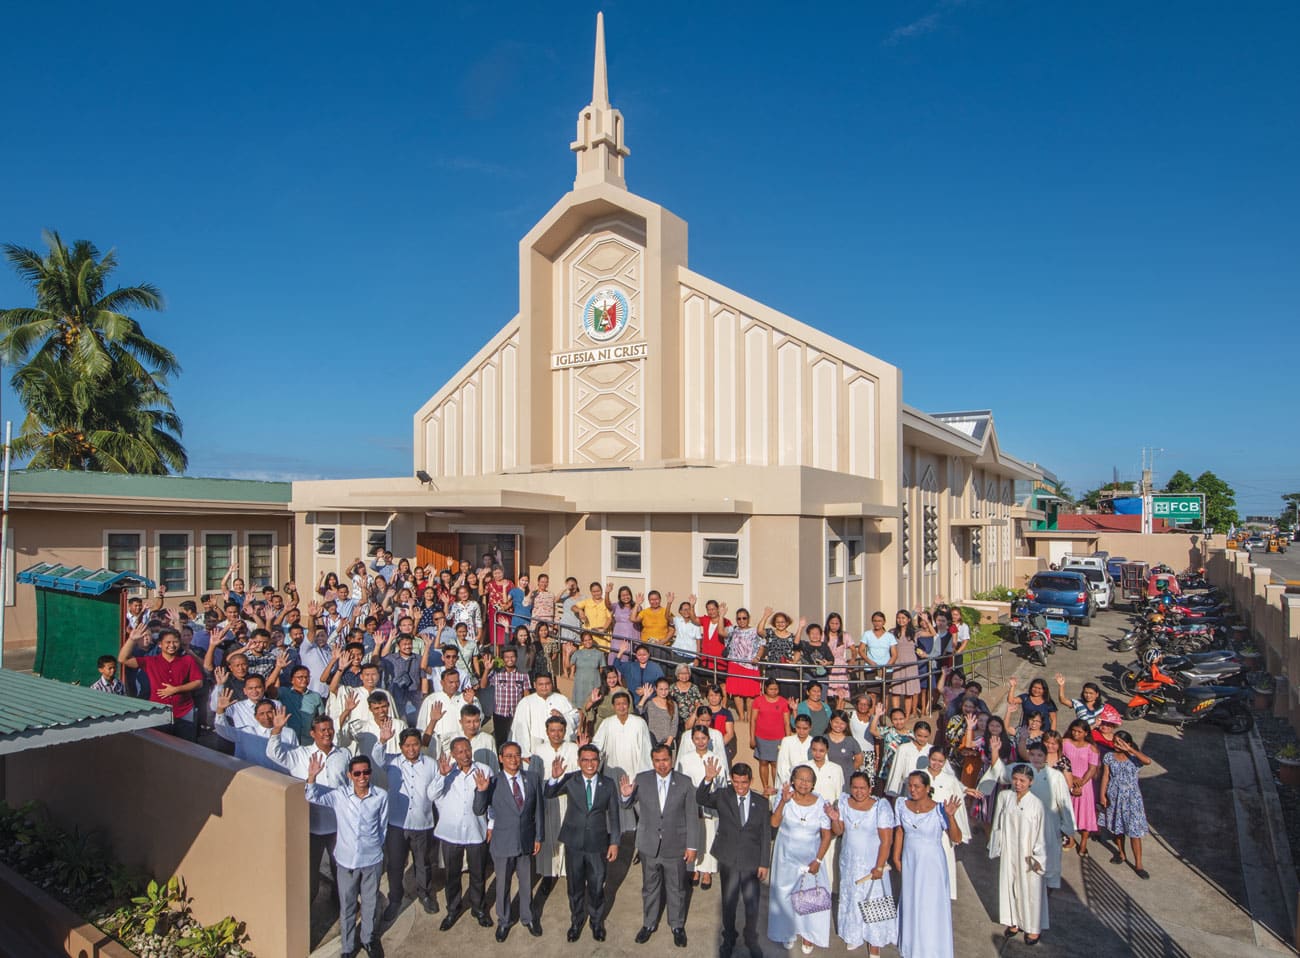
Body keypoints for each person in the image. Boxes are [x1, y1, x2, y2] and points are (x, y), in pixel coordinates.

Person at [305, 752, 390, 958]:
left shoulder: (380, 796)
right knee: (348, 905)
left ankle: (368, 939)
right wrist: (312, 777)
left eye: (366, 772)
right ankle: (348, 946)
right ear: (350, 775)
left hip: (371, 859)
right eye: (358, 773)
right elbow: (311, 796)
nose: (363, 777)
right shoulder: (339, 795)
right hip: (346, 861)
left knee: (369, 903)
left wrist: (375, 847)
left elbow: (382, 827)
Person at [620, 744, 702, 947]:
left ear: (671, 760)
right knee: (650, 887)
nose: (662, 764)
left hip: (675, 845)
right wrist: (625, 795)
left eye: (665, 760)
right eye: (657, 761)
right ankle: (648, 924)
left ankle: (676, 925)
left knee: (676, 888)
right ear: (652, 761)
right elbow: (627, 805)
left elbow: (692, 816)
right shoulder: (642, 779)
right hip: (649, 845)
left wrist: (692, 846)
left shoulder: (684, 783)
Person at [267, 714, 350, 904]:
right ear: (313, 733)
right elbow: (274, 753)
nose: (327, 733)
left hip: (338, 824)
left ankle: (340, 901)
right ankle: (308, 908)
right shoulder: (300, 754)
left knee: (340, 866)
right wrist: (277, 730)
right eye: (322, 730)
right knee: (310, 871)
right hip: (310, 825)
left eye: (330, 729)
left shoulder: (344, 754)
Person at [544, 744, 621, 942]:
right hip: (574, 843)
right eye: (585, 760)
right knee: (575, 886)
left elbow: (614, 815)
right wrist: (554, 777)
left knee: (596, 886)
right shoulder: (570, 779)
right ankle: (576, 921)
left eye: (593, 760)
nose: (589, 764)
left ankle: (596, 922)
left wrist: (614, 843)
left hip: (598, 843)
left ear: (599, 761)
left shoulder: (608, 783)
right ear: (579, 762)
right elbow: (549, 793)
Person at [697, 759, 770, 958]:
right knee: (728, 903)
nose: (740, 786)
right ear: (731, 779)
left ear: (751, 780)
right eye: (736, 782)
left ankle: (750, 938)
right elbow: (701, 798)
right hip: (729, 859)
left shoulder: (762, 803)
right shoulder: (723, 796)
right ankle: (728, 938)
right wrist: (708, 779)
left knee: (751, 903)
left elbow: (765, 833)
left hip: (751, 861)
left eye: (744, 782)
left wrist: (764, 862)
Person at [475, 741, 544, 940]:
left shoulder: (532, 778)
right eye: (509, 756)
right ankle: (504, 921)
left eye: (517, 755)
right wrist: (481, 791)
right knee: (502, 884)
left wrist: (538, 837)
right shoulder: (493, 781)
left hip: (526, 841)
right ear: (501, 758)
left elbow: (538, 810)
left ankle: (528, 917)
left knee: (526, 883)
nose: (513, 760)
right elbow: (479, 810)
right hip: (502, 842)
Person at [370, 725, 440, 919]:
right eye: (407, 745)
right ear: (400, 747)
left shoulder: (431, 764)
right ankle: (395, 899)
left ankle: (425, 894)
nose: (411, 749)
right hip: (396, 824)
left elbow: (437, 792)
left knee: (423, 863)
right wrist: (382, 740)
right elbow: (376, 757)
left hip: (422, 823)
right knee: (395, 864)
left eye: (415, 744)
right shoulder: (392, 762)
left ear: (420, 745)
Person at [893, 771, 964, 958]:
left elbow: (956, 838)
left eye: (917, 786)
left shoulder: (940, 809)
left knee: (930, 904)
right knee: (911, 898)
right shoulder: (901, 804)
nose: (912, 789)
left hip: (932, 864)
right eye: (910, 785)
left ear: (927, 788)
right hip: (910, 859)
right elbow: (899, 831)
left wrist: (951, 817)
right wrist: (896, 856)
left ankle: (932, 948)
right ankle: (911, 945)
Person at [767, 765, 836, 954]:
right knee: (784, 895)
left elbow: (826, 835)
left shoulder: (821, 802)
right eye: (800, 779)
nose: (804, 783)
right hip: (786, 858)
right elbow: (774, 823)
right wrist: (782, 801)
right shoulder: (785, 799)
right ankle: (786, 932)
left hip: (811, 859)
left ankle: (809, 934)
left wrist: (819, 860)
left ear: (813, 783)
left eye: (808, 780)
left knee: (811, 897)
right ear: (793, 780)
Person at [431, 738, 494, 929]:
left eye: (467, 750)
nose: (465, 755)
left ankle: (479, 907)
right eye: (459, 752)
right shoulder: (446, 772)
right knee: (452, 874)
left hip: (476, 829)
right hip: (451, 832)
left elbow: (491, 802)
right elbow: (431, 795)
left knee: (478, 873)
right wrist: (442, 776)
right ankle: (453, 909)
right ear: (453, 754)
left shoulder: (484, 770)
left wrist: (491, 825)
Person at [833, 771, 896, 957]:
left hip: (872, 863)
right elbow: (838, 832)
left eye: (863, 788)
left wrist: (879, 866)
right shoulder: (844, 802)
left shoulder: (880, 807)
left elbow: (886, 841)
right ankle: (853, 933)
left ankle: (875, 940)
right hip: (849, 861)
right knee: (852, 896)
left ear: (870, 788)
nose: (859, 792)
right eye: (855, 787)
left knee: (874, 898)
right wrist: (834, 818)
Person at [988, 764, 1048, 944]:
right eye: (1015, 779)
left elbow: (1040, 833)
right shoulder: (1005, 797)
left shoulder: (1036, 804)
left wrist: (1038, 857)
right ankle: (1013, 921)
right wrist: (996, 846)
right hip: (1009, 850)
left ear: (1031, 782)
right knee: (1009, 884)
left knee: (1029, 889)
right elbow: (998, 823)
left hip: (1027, 853)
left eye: (1022, 780)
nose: (1018, 783)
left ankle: (1032, 928)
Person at [118, 624, 204, 739]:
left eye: (175, 642)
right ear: (160, 644)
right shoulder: (151, 661)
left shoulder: (187, 660)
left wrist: (176, 689)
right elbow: (123, 659)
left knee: (185, 748)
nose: (172, 645)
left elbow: (198, 682)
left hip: (184, 711)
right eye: (168, 642)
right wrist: (132, 639)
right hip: (158, 712)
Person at [591, 689, 654, 833]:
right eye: (618, 704)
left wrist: (643, 774)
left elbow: (646, 749)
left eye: (624, 704)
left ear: (629, 705)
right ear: (613, 706)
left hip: (635, 771)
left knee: (641, 811)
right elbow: (597, 746)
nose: (621, 707)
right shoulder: (607, 723)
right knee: (615, 809)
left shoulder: (639, 723)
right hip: (613, 772)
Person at [527, 716, 580, 883]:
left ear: (565, 731)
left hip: (567, 799)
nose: (556, 734)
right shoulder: (539, 750)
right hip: (546, 800)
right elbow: (533, 777)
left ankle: (566, 870)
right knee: (548, 835)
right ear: (547, 732)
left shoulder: (573, 748)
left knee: (566, 835)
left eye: (560, 730)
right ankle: (548, 874)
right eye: (552, 730)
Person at [676, 724, 728, 889]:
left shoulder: (716, 758)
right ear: (692, 740)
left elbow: (722, 784)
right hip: (690, 803)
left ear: (709, 739)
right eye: (697, 738)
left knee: (709, 835)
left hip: (710, 804)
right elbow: (680, 781)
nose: (700, 742)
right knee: (693, 834)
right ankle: (694, 869)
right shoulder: (685, 758)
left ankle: (707, 871)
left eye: (703, 738)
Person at [1099, 730, 1152, 878]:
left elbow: (1148, 761)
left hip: (1131, 799)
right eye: (1115, 741)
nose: (1116, 745)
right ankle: (1121, 854)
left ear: (1128, 743)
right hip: (1114, 796)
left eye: (1120, 742)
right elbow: (1105, 776)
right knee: (1118, 829)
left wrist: (1129, 749)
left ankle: (1138, 864)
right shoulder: (1109, 757)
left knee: (1134, 832)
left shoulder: (1134, 758)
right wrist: (1102, 795)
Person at [1024, 742, 1076, 890]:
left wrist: (1068, 829)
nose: (1036, 758)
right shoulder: (1023, 773)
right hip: (1027, 824)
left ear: (1045, 757)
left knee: (1049, 860)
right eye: (1032, 754)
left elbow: (1064, 802)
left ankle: (1046, 891)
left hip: (1050, 825)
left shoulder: (1056, 776)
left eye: (1040, 755)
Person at [924, 746, 972, 901]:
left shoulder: (950, 780)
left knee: (944, 859)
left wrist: (958, 830)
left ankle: (943, 895)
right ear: (928, 757)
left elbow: (959, 807)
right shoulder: (920, 775)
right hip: (923, 827)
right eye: (933, 760)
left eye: (940, 761)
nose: (936, 764)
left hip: (943, 828)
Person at [510, 672, 580, 760]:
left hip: (559, 749)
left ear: (552, 684)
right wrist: (524, 753)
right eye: (541, 684)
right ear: (534, 685)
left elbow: (575, 717)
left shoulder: (561, 699)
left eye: (547, 684)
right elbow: (520, 729)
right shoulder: (526, 702)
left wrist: (563, 716)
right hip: (534, 748)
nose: (544, 687)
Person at [1062, 719, 1100, 856]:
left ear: (1086, 733)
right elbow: (1061, 761)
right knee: (1068, 812)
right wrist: (1072, 779)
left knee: (1085, 814)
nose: (1075, 733)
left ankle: (1083, 842)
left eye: (1079, 731)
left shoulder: (1092, 748)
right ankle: (1071, 839)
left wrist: (1081, 783)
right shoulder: (1064, 743)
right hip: (1067, 780)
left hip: (1085, 786)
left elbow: (1092, 769)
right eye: (1074, 730)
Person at [480, 647, 532, 749]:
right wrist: (487, 670)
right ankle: (501, 763)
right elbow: (483, 685)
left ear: (516, 658)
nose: (510, 659)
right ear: (503, 659)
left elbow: (527, 694)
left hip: (516, 714)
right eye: (507, 657)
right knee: (501, 741)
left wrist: (526, 711)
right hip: (500, 714)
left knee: (517, 739)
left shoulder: (523, 675)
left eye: (512, 657)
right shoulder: (497, 674)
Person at [751, 677, 792, 794]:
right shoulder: (758, 701)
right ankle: (765, 787)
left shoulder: (783, 702)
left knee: (775, 763)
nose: (774, 691)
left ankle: (775, 788)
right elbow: (753, 720)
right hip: (761, 737)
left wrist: (787, 740)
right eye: (771, 689)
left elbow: (786, 722)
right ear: (765, 689)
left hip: (778, 738)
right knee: (763, 762)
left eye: (776, 689)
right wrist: (752, 737)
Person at [724, 608, 764, 723]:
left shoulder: (755, 631)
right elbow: (721, 632)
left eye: (744, 618)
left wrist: (758, 657)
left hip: (750, 665)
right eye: (739, 618)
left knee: (750, 693)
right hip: (735, 663)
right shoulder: (733, 630)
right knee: (736, 692)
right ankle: (741, 716)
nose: (741, 620)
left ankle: (749, 717)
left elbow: (762, 646)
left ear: (748, 619)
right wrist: (721, 615)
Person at [884, 720, 932, 798]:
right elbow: (897, 770)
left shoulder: (931, 750)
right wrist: (894, 791)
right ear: (914, 733)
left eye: (925, 736)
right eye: (919, 735)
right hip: (907, 788)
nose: (922, 739)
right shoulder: (904, 748)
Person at [775, 714, 815, 790]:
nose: (801, 731)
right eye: (798, 728)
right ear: (795, 727)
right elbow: (782, 765)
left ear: (810, 728)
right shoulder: (787, 741)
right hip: (789, 783)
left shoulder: (814, 742)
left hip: (809, 784)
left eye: (805, 728)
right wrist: (790, 784)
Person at [570, 632, 606, 709]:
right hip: (580, 685)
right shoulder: (577, 653)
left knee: (593, 707)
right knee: (580, 708)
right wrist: (567, 654)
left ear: (592, 640)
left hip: (594, 684)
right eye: (585, 640)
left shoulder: (600, 654)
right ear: (582, 642)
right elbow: (569, 666)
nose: (588, 642)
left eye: (589, 639)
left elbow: (601, 670)